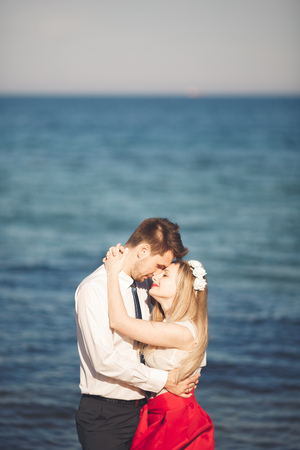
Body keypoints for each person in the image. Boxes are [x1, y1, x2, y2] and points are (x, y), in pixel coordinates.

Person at [75, 218, 200, 450]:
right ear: (143, 250)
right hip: (106, 416)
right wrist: (165, 381)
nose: (157, 275)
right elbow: (104, 361)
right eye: (160, 266)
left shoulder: (145, 286)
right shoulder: (94, 289)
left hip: (145, 412)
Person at [104, 244, 214, 450]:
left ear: (182, 289)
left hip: (177, 421)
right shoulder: (169, 324)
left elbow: (119, 322)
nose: (155, 277)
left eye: (165, 276)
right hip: (157, 413)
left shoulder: (183, 331)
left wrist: (112, 273)